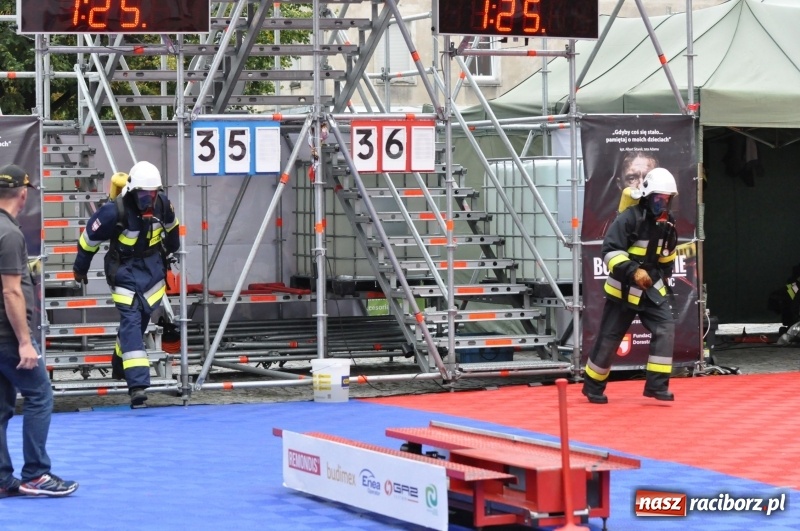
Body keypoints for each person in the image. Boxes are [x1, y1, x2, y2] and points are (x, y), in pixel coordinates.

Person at [72, 161, 180, 407]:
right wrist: (80, 269)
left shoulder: (163, 204)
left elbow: (172, 228)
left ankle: (119, 364)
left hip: (152, 269)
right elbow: (88, 240)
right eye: (143, 194)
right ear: (132, 190)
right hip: (123, 270)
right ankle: (138, 385)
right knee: (131, 320)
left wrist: (172, 250)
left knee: (139, 321)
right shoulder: (113, 212)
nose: (148, 200)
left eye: (152, 194)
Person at [0, 164, 78, 497]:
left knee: (2, 407)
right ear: (23, 193)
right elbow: (11, 291)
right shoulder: (10, 234)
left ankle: (3, 479)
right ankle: (36, 474)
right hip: (7, 337)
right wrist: (24, 343)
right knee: (39, 396)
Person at [582, 167, 679, 404]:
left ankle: (656, 386)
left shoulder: (668, 225)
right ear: (647, 197)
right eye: (658, 199)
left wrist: (663, 282)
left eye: (666, 199)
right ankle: (593, 387)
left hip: (650, 289)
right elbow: (610, 251)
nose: (662, 204)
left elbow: (667, 258)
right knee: (610, 338)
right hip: (623, 290)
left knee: (665, 327)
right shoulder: (628, 218)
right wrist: (633, 271)